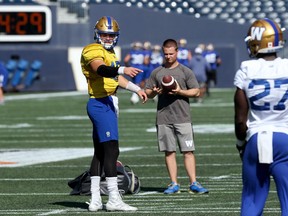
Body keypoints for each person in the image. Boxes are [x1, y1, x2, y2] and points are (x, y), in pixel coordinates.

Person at [80, 16, 147, 212]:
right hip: (100, 103)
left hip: (107, 101)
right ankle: (113, 199)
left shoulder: (110, 52)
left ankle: (95, 199)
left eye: (111, 35)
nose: (108, 38)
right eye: (104, 34)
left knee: (100, 153)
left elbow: (116, 78)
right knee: (112, 150)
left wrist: (137, 89)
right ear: (97, 34)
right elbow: (101, 70)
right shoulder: (92, 49)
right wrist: (123, 68)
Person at [234, 18, 288, 215]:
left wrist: (241, 144)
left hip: (256, 139)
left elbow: (240, 120)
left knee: (252, 200)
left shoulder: (247, 69)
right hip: (285, 139)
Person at [145, 39, 208, 194]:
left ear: (177, 52)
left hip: (183, 117)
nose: (168, 57)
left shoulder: (185, 71)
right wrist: (154, 92)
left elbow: (196, 91)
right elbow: (147, 92)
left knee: (188, 151)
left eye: (171, 54)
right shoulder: (157, 72)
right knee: (169, 151)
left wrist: (180, 92)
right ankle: (173, 183)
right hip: (163, 117)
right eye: (165, 54)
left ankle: (194, 182)